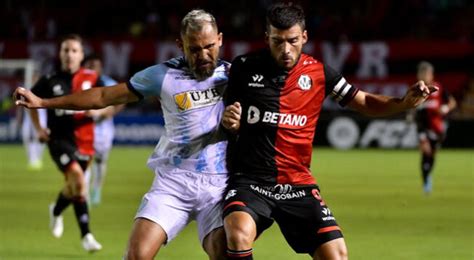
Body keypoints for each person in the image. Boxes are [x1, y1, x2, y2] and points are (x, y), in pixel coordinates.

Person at [220, 3, 437, 260]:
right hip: (252, 182)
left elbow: (363, 101)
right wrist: (229, 123)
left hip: (298, 185)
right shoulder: (244, 67)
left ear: (304, 37)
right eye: (278, 41)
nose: (286, 49)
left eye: (292, 40)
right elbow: (225, 119)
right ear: (267, 38)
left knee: (336, 255)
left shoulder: (319, 73)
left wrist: (403, 103)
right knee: (237, 232)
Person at [15, 9, 229, 260]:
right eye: (194, 49)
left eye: (209, 46)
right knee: (135, 256)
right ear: (180, 45)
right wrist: (44, 103)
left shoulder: (235, 75)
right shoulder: (161, 76)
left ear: (220, 40)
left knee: (226, 253)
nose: (203, 55)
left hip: (219, 184)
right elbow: (103, 96)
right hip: (174, 183)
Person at [25, 34, 102, 252]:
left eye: (74, 50)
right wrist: (39, 129)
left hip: (85, 141)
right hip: (59, 140)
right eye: (65, 50)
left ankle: (56, 210)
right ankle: (87, 235)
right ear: (60, 54)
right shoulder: (50, 79)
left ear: (81, 55)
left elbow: (110, 100)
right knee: (78, 180)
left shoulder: (92, 78)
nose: (69, 54)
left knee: (74, 188)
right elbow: (30, 101)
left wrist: (100, 111)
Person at [82, 54, 124, 206]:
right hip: (83, 128)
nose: (92, 68)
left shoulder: (108, 83)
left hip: (103, 131)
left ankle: (97, 189)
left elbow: (121, 101)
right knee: (84, 161)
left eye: (95, 66)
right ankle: (83, 193)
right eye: (89, 65)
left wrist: (106, 112)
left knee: (100, 161)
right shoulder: (80, 82)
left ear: (100, 68)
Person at [413, 61, 456, 194]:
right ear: (418, 74)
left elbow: (452, 102)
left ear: (431, 75)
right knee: (426, 152)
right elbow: (413, 112)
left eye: (427, 73)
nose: (425, 75)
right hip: (423, 128)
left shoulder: (438, 88)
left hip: (437, 129)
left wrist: (446, 108)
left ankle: (427, 175)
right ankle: (426, 182)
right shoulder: (416, 90)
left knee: (432, 155)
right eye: (422, 73)